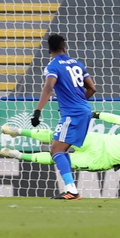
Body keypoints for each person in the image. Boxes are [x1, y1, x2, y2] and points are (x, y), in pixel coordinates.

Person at [31, 34, 96, 200]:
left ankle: (72, 190)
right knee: (61, 149)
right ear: (64, 48)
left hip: (72, 113)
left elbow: (48, 87)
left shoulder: (53, 66)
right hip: (84, 110)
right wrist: (79, 101)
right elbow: (92, 88)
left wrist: (38, 111)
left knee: (55, 150)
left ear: (49, 50)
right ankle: (71, 188)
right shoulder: (77, 63)